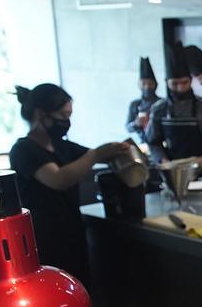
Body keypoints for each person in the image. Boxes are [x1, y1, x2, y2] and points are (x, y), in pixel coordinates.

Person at [9, 83, 128, 284]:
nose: (67, 122)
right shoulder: (24, 150)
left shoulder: (62, 146)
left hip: (71, 232)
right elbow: (58, 179)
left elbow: (98, 156)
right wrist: (97, 154)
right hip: (43, 237)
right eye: (63, 116)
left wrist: (120, 151)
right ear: (40, 114)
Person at [146, 42, 202, 169]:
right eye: (175, 84)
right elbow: (153, 142)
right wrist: (163, 161)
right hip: (172, 168)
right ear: (166, 82)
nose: (180, 88)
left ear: (191, 80)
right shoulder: (159, 108)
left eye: (184, 83)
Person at [125, 57, 159, 141]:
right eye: (143, 83)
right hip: (142, 142)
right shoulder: (135, 104)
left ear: (155, 84)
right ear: (139, 85)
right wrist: (135, 123)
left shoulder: (162, 103)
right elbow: (128, 127)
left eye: (150, 83)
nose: (147, 87)